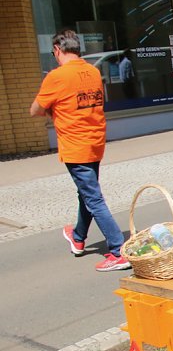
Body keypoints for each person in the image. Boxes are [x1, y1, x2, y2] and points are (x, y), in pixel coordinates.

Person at [29, 29, 130, 272]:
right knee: (86, 192)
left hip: (75, 145)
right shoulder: (93, 71)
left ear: (57, 50)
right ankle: (77, 236)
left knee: (93, 198)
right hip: (95, 142)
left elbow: (35, 110)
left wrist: (53, 110)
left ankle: (118, 251)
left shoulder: (57, 77)